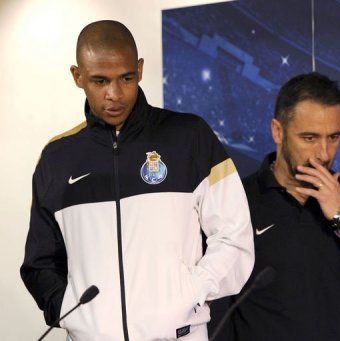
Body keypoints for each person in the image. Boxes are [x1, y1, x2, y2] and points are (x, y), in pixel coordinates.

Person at [20, 20, 254, 341]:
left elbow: (234, 236)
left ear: (140, 70)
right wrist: (70, 310)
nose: (114, 95)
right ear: (78, 76)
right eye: (100, 81)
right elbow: (40, 261)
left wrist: (191, 291)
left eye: (126, 78)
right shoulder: (57, 156)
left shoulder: (189, 136)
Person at [229, 73, 340, 340]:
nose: (324, 154)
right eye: (309, 138)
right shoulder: (238, 199)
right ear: (278, 131)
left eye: (333, 137)